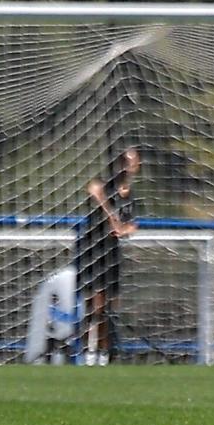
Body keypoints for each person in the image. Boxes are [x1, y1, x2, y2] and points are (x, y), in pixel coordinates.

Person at [74, 145, 139, 364]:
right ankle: (87, 350)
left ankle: (104, 351)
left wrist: (125, 229)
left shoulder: (130, 194)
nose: (133, 166)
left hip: (112, 253)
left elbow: (132, 224)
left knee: (111, 307)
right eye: (130, 161)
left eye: (135, 162)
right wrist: (112, 217)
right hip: (94, 250)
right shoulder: (105, 185)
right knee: (94, 305)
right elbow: (94, 189)